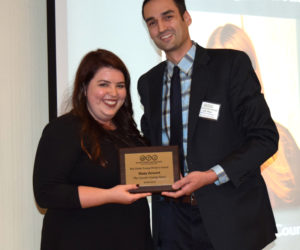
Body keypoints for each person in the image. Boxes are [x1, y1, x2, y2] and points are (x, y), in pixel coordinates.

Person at [138, 1, 279, 250]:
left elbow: (265, 138)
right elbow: (150, 143)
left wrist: (211, 175)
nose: (161, 27)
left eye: (167, 17)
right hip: (171, 223)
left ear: (187, 18)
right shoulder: (149, 83)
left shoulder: (231, 65)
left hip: (229, 218)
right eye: (152, 22)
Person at [33, 49, 153, 250]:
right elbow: (46, 193)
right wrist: (109, 195)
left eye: (120, 86)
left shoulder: (129, 131)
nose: (114, 93)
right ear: (84, 87)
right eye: (104, 84)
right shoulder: (64, 129)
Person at [206, 23, 300, 209]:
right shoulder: (197, 143)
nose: (227, 78)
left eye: (236, 68)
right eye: (218, 69)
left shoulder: (283, 141)